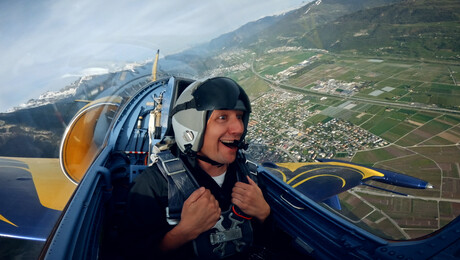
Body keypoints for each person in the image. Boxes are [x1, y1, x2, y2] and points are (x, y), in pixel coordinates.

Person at [120, 77, 272, 259]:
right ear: (191, 127)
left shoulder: (249, 177)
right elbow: (131, 253)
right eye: (222, 117)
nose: (238, 128)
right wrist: (183, 232)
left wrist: (264, 214)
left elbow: (273, 245)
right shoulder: (153, 186)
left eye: (239, 117)